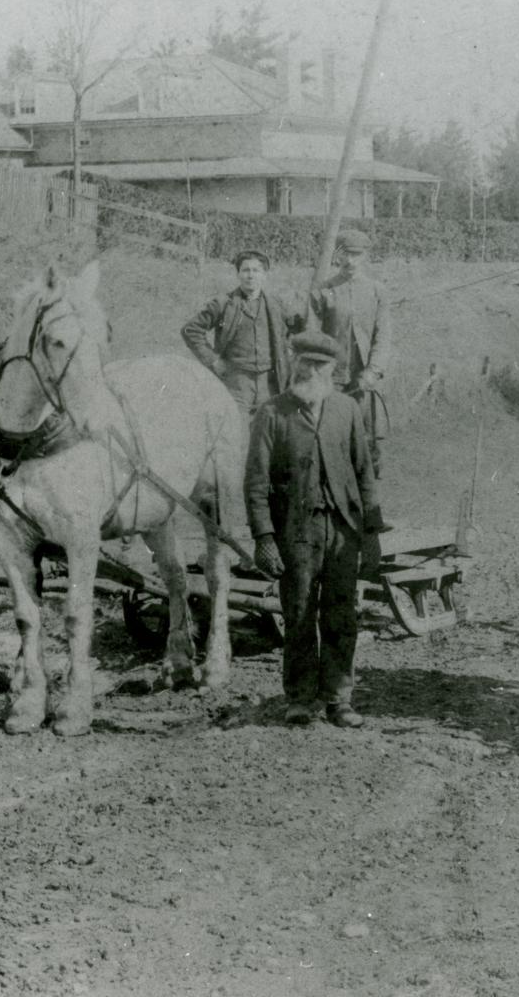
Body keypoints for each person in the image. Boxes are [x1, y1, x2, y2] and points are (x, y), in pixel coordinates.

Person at [245, 331, 387, 728]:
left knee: (342, 615)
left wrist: (372, 534)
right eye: (305, 364)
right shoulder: (271, 414)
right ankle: (301, 699)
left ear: (333, 371)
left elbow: (365, 473)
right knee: (300, 613)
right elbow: (256, 482)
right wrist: (264, 538)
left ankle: (339, 699)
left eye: (320, 366)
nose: (311, 371)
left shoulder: (347, 409)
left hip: (342, 530)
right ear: (295, 365)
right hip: (296, 532)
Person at [306, 228, 392, 474]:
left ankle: (367, 493)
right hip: (332, 377)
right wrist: (319, 373)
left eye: (357, 255)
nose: (351, 261)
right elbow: (313, 336)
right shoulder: (323, 291)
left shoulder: (377, 291)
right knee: (329, 434)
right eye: (346, 254)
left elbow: (383, 336)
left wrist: (373, 372)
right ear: (338, 255)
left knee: (367, 439)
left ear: (365, 256)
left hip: (364, 378)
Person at [181, 250, 293, 409]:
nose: (250, 276)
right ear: (238, 274)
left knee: (267, 427)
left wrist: (288, 350)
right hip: (236, 382)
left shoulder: (276, 304)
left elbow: (296, 329)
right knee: (236, 428)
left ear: (264, 275)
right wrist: (213, 360)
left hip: (270, 383)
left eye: (256, 270)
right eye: (245, 270)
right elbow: (191, 330)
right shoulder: (224, 303)